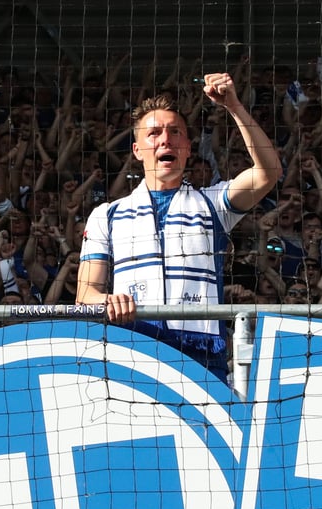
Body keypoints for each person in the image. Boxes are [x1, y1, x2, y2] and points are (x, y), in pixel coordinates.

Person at [76, 73, 281, 382]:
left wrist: (234, 106)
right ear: (137, 149)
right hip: (133, 348)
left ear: (187, 147)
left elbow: (268, 171)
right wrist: (107, 300)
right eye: (154, 133)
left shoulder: (213, 203)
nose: (165, 139)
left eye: (175, 132)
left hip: (200, 352)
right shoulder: (106, 214)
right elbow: (85, 295)